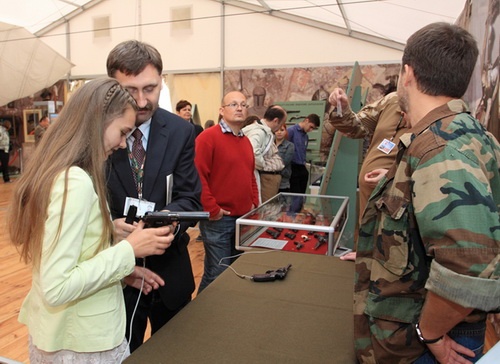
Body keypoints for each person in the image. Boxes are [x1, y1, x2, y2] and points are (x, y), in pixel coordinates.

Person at [354, 22, 500, 364]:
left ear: (408, 73)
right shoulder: (463, 136)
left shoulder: (441, 149)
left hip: (424, 339)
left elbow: (468, 265)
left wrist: (429, 332)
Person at [8, 78, 174, 362]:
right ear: (98, 120)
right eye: (122, 132)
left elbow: (74, 255)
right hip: (80, 343)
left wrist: (121, 271)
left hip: (65, 335)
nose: (124, 144)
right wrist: (128, 250)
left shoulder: (62, 172)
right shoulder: (75, 181)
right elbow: (57, 286)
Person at [106, 40, 202, 352]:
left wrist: (169, 225)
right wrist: (111, 228)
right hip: (114, 281)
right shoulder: (97, 132)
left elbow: (190, 197)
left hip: (169, 274)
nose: (142, 100)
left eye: (150, 88)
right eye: (130, 90)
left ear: (162, 80)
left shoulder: (181, 131)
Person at [327, 89, 407, 261]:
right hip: (369, 204)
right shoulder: (392, 100)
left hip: (399, 208)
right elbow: (355, 127)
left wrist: (395, 175)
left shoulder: (434, 109)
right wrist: (342, 108)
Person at [194, 91, 259, 293]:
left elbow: (250, 175)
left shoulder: (245, 141)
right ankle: (201, 317)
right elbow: (198, 176)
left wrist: (255, 204)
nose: (239, 108)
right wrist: (212, 209)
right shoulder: (208, 138)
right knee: (217, 273)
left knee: (234, 271)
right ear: (222, 111)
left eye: (243, 104)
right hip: (219, 221)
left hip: (243, 219)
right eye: (233, 104)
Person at [243, 105, 286, 202]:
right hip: (264, 178)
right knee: (266, 209)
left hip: (267, 178)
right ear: (275, 121)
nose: (280, 127)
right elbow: (253, 152)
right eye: (281, 123)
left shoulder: (264, 131)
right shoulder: (259, 132)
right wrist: (262, 165)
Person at [287, 113, 320, 193]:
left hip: (301, 166)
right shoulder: (291, 131)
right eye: (311, 127)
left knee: (302, 194)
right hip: (292, 166)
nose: (311, 130)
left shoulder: (306, 136)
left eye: (313, 128)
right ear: (306, 120)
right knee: (295, 194)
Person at [275, 123, 294, 193]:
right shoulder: (269, 144)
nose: (279, 132)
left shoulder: (290, 146)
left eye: (282, 130)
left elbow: (285, 162)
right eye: (277, 130)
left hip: (283, 181)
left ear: (286, 131)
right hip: (270, 180)